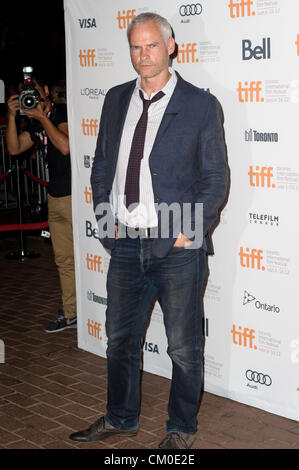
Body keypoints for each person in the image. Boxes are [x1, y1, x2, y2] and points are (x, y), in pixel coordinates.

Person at [70, 12, 228, 449]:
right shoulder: (116, 98)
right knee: (120, 340)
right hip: (124, 241)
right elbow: (102, 166)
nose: (144, 55)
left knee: (182, 346)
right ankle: (121, 417)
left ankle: (180, 429)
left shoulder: (199, 104)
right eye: (136, 47)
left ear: (171, 46)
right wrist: (106, 222)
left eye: (152, 46)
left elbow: (215, 179)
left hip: (177, 245)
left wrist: (187, 232)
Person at [6, 76, 77, 333]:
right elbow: (14, 149)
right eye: (27, 94)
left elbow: (66, 146)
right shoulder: (36, 125)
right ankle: (71, 312)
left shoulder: (63, 113)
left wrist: (43, 117)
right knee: (63, 260)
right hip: (55, 197)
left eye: (34, 91)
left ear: (45, 91)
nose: (31, 97)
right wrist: (12, 116)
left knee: (84, 257)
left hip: (77, 196)